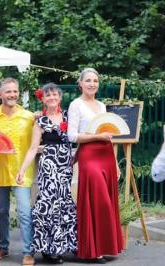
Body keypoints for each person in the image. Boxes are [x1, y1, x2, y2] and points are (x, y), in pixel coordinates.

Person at [17, 83, 77, 264]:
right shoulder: (40, 121)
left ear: (60, 96)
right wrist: (22, 170)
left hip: (65, 166)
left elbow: (78, 139)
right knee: (48, 205)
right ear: (42, 99)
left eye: (54, 94)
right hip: (49, 167)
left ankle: (62, 246)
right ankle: (49, 250)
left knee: (64, 203)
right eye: (47, 95)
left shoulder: (69, 116)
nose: (51, 97)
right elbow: (33, 148)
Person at [68, 68, 123, 263]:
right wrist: (97, 136)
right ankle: (93, 249)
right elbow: (72, 136)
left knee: (107, 202)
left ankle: (106, 247)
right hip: (89, 155)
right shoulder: (76, 105)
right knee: (99, 201)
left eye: (95, 81)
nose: (92, 84)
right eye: (88, 80)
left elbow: (109, 135)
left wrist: (115, 163)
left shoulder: (101, 105)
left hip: (106, 155)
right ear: (80, 84)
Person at [0, 78, 35, 265]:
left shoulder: (29, 117)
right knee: (1, 211)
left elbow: (35, 144)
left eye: (15, 91)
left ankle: (28, 251)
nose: (12, 95)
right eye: (8, 92)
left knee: (24, 211)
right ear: (0, 94)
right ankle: (3, 246)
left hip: (21, 171)